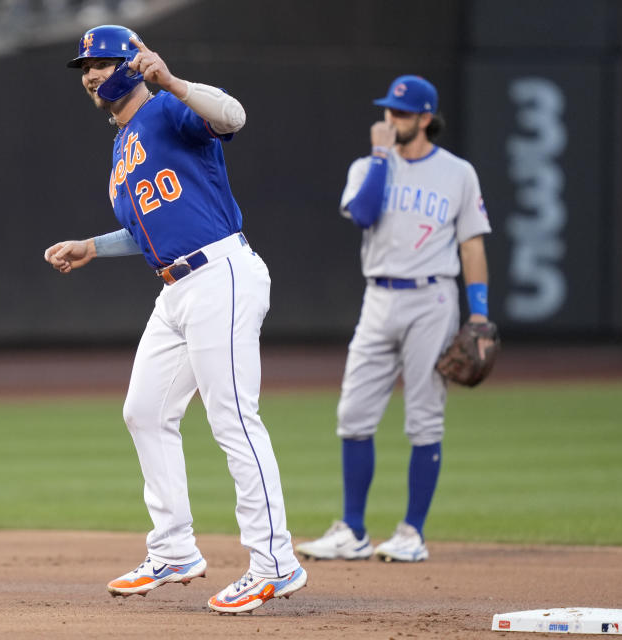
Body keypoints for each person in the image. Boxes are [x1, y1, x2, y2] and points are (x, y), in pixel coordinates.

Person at [44, 24, 306, 613]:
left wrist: (174, 82)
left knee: (234, 418)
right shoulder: (122, 146)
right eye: (85, 66)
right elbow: (148, 230)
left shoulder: (167, 109)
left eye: (104, 62)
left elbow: (234, 116)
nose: (90, 74)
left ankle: (276, 562)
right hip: (176, 289)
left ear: (135, 64)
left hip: (221, 274)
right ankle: (174, 550)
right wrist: (94, 245)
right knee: (145, 410)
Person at [295, 75, 493, 563]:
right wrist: (382, 157)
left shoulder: (458, 173)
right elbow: (363, 215)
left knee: (424, 417)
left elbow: (471, 244)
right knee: (352, 415)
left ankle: (411, 532)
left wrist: (481, 314)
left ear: (426, 118)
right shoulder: (368, 166)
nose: (391, 119)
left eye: (402, 113)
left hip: (433, 299)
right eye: (388, 111)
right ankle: (354, 530)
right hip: (378, 297)